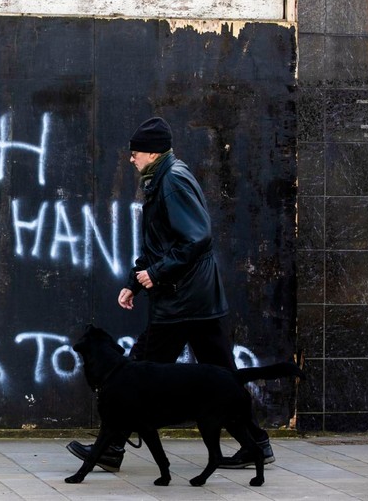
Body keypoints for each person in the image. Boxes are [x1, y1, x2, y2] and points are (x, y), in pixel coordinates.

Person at [66, 116, 273, 472]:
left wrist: (156, 273)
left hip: (182, 300)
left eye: (135, 152)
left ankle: (111, 447)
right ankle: (256, 444)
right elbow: (160, 242)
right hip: (196, 298)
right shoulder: (162, 178)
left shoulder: (172, 181)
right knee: (223, 374)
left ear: (152, 152)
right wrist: (134, 281)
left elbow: (197, 237)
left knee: (133, 371)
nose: (131, 157)